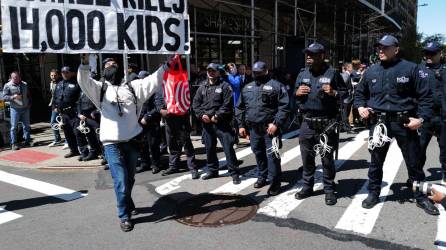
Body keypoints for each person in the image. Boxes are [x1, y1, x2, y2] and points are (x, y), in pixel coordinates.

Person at [78, 54, 168, 232]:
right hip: (112, 144)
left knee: (130, 178)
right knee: (121, 181)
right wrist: (85, 62)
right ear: (103, 70)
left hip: (133, 141)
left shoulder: (133, 87)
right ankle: (124, 216)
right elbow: (83, 80)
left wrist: (166, 65)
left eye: (114, 64)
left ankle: (127, 202)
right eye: (108, 65)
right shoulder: (100, 89)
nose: (112, 66)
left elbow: (153, 80)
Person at [354, 35, 439, 215]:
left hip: (404, 123)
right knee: (376, 162)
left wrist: (421, 119)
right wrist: (360, 107)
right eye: (378, 47)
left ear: (396, 49)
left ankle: (421, 197)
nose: (380, 50)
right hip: (379, 124)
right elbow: (360, 93)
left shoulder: (411, 69)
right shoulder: (371, 71)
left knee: (414, 163)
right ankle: (373, 193)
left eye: (385, 47)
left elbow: (426, 97)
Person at [294, 42, 346, 205]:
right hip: (307, 123)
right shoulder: (302, 73)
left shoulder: (332, 73)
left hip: (326, 124)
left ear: (322, 56)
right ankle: (307, 186)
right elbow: (294, 96)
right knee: (307, 158)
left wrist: (334, 92)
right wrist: (296, 93)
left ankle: (329, 189)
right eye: (307, 53)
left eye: (312, 54)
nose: (308, 56)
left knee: (327, 159)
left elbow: (345, 94)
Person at [236, 61, 289, 196]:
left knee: (272, 157)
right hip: (254, 129)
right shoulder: (247, 87)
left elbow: (284, 107)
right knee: (258, 154)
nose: (257, 75)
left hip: (270, 129)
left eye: (259, 72)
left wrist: (276, 123)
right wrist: (241, 125)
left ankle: (275, 183)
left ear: (266, 71)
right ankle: (262, 176)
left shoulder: (276, 86)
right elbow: (240, 107)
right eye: (255, 73)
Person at [193, 63, 241, 184]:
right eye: (209, 70)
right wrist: (201, 115)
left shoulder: (225, 86)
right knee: (209, 148)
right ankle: (213, 170)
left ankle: (234, 173)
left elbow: (227, 104)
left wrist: (217, 116)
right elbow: (195, 104)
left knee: (228, 148)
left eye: (213, 71)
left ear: (218, 72)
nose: (211, 73)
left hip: (222, 123)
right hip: (207, 124)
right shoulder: (202, 87)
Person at [419, 41, 446, 186]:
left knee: (445, 149)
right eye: (426, 53)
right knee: (419, 148)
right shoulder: (418, 70)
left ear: (440, 53)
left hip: (443, 117)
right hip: (424, 117)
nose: (428, 56)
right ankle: (417, 176)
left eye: (432, 53)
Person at [53, 66, 81, 158]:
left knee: (77, 133)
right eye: (63, 72)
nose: (65, 74)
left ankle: (84, 151)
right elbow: (55, 97)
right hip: (63, 114)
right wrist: (55, 106)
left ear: (71, 73)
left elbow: (80, 99)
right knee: (68, 134)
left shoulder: (77, 83)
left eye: (67, 72)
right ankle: (73, 150)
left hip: (73, 113)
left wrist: (79, 111)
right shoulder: (59, 84)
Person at [136, 89, 164, 174]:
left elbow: (158, 107)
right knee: (142, 143)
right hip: (139, 122)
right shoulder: (138, 92)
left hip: (151, 121)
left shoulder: (155, 91)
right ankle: (145, 163)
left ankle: (156, 164)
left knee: (153, 144)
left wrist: (147, 117)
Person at [3, 71, 32, 150]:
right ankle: (14, 143)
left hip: (25, 108)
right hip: (15, 109)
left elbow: (28, 95)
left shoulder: (24, 84)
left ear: (20, 77)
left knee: (26, 126)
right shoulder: (7, 85)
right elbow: (4, 97)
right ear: (11, 78)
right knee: (14, 127)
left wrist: (29, 103)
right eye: (14, 78)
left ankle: (27, 141)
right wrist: (13, 97)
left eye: (17, 77)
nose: (15, 79)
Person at [74, 91, 101, 161]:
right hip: (85, 117)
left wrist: (95, 111)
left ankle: (104, 155)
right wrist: (79, 114)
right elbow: (79, 103)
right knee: (89, 135)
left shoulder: (94, 89)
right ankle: (93, 152)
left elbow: (101, 103)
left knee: (99, 136)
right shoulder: (82, 91)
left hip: (95, 117)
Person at [48, 69, 64, 147]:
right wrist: (54, 105)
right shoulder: (51, 83)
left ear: (58, 75)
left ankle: (68, 141)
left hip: (61, 106)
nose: (53, 77)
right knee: (53, 122)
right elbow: (53, 96)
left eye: (55, 75)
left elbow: (61, 96)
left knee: (64, 123)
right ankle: (57, 139)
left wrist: (58, 106)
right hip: (54, 106)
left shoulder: (61, 83)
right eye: (51, 75)